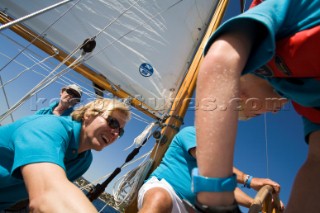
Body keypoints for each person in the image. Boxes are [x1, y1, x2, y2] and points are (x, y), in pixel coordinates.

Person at [194, 0, 320, 212]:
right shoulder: (308, 101)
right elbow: (317, 163)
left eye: (254, 113)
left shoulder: (279, 15)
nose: (272, 112)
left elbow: (222, 55)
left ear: (241, 96)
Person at [0, 98, 130, 212]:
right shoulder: (49, 127)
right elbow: (48, 196)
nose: (115, 133)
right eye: (113, 122)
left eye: (121, 131)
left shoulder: (84, 161)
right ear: (89, 114)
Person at [138, 126, 283, 213]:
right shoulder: (190, 133)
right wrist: (249, 180)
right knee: (160, 198)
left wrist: (258, 205)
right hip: (165, 189)